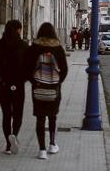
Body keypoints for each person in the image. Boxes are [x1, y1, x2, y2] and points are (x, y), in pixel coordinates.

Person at [25, 23, 68, 160]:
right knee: (52, 116)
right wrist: (56, 82)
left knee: (40, 117)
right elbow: (64, 69)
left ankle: (41, 150)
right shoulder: (58, 48)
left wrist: (35, 82)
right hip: (54, 89)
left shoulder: (34, 48)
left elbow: (27, 69)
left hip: (38, 88)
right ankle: (52, 144)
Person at [0, 20, 28, 155]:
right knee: (18, 114)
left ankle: (7, 144)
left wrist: (2, 69)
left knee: (6, 114)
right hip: (18, 84)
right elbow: (30, 65)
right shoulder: (23, 46)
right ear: (18, 30)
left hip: (3, 84)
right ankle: (14, 136)